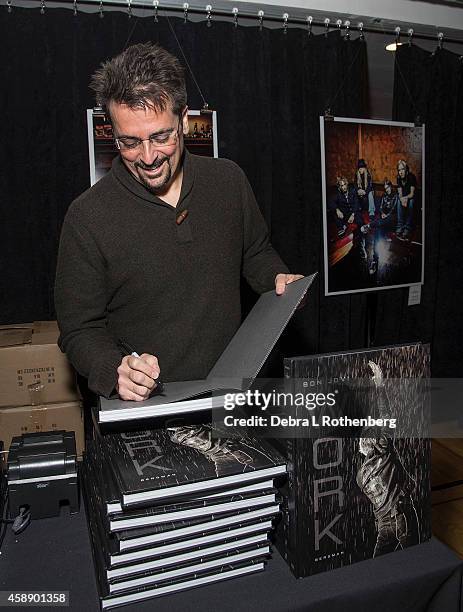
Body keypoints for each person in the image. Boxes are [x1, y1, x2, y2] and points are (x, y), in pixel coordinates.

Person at [54, 43, 301, 402]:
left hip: (232, 395)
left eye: (160, 136)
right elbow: (78, 329)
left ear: (184, 120)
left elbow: (256, 253)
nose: (149, 157)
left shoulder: (228, 180)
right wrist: (114, 369)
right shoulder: (87, 217)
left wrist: (278, 279)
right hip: (145, 412)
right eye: (130, 142)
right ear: (112, 132)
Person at [356, 361, 419, 557]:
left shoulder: (360, 477)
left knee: (379, 564)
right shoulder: (382, 451)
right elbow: (387, 417)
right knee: (416, 559)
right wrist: (380, 385)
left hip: (383, 523)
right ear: (373, 442)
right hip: (401, 514)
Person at [361, 179, 399, 275]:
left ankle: (369, 225)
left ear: (391, 186)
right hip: (383, 222)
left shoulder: (396, 196)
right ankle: (375, 261)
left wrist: (387, 216)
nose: (386, 190)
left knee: (387, 219)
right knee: (378, 231)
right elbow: (381, 207)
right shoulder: (384, 195)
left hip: (392, 221)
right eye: (385, 188)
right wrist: (382, 213)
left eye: (388, 187)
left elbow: (394, 210)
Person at [396, 159, 417, 240]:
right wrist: (401, 199)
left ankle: (407, 228)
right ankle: (400, 226)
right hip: (403, 198)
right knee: (398, 199)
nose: (400, 172)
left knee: (411, 202)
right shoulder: (398, 178)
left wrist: (405, 198)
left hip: (410, 198)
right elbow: (400, 193)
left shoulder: (411, 177)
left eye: (402, 169)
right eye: (399, 170)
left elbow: (412, 194)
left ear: (406, 169)